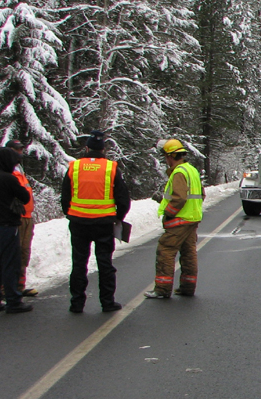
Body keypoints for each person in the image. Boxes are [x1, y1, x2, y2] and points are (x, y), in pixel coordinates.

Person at [61, 130, 131, 313]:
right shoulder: (111, 168)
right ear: (103, 150)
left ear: (86, 148)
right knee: (105, 263)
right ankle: (107, 302)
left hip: (78, 223)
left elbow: (65, 196)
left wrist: (71, 214)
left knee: (79, 263)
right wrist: (118, 218)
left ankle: (76, 303)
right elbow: (123, 199)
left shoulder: (74, 167)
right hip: (103, 223)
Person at [145, 139, 204, 299]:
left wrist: (169, 213)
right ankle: (187, 287)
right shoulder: (191, 170)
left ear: (171, 156)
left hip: (179, 221)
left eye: (166, 156)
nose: (165, 160)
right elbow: (201, 195)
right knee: (189, 253)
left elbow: (179, 198)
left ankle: (162, 290)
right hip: (192, 219)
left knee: (165, 251)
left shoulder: (179, 172)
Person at [0, 147, 33, 314]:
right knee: (10, 264)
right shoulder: (9, 179)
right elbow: (24, 196)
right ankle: (13, 301)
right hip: (7, 226)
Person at [6, 140, 38, 297]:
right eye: (16, 150)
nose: (20, 152)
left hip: (27, 217)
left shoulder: (20, 170)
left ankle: (19, 285)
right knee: (14, 253)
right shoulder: (9, 172)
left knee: (24, 252)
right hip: (17, 218)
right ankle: (6, 288)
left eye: (20, 149)